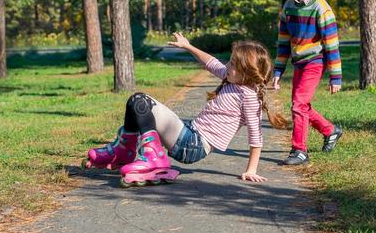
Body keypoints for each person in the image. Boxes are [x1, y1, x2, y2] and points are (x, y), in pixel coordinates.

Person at [83, 32, 287, 184]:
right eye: (230, 61)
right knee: (135, 102)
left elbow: (256, 135)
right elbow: (211, 63)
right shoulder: (232, 78)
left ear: (248, 72)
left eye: (233, 64)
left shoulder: (249, 96)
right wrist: (188, 46)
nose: (227, 65)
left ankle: (154, 159)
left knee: (141, 102)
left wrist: (251, 169)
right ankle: (123, 152)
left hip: (194, 145)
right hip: (190, 133)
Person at [272, 0, 343, 165]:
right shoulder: (288, 7)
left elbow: (332, 45)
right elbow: (283, 43)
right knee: (300, 106)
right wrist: (278, 71)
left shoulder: (321, 8)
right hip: (299, 63)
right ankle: (331, 130)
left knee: (298, 104)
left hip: (315, 62)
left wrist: (335, 77)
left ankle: (299, 150)